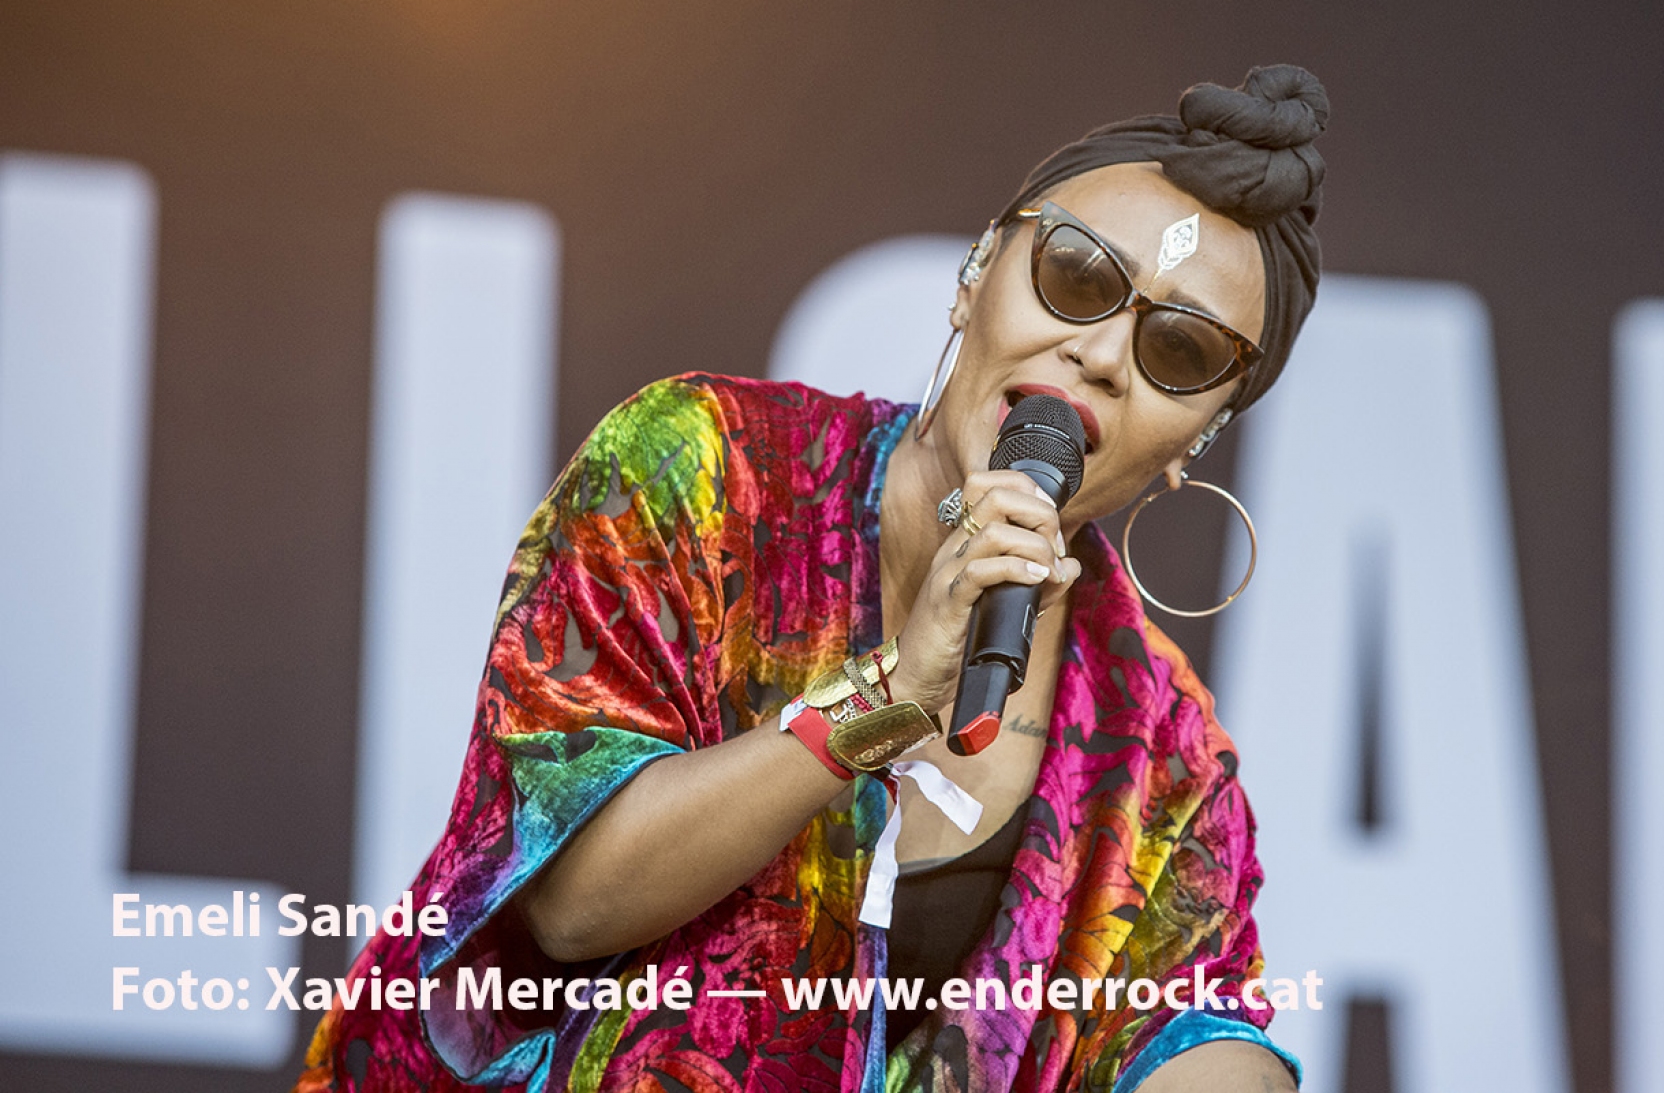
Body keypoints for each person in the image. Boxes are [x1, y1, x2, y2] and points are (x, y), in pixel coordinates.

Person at [295, 65, 1330, 1093]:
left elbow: (1192, 1022)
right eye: (1077, 277)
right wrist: (892, 695)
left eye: (1179, 348)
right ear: (975, 275)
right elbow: (571, 905)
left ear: (1200, 437)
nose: (1099, 353)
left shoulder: (1161, 749)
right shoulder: (707, 468)